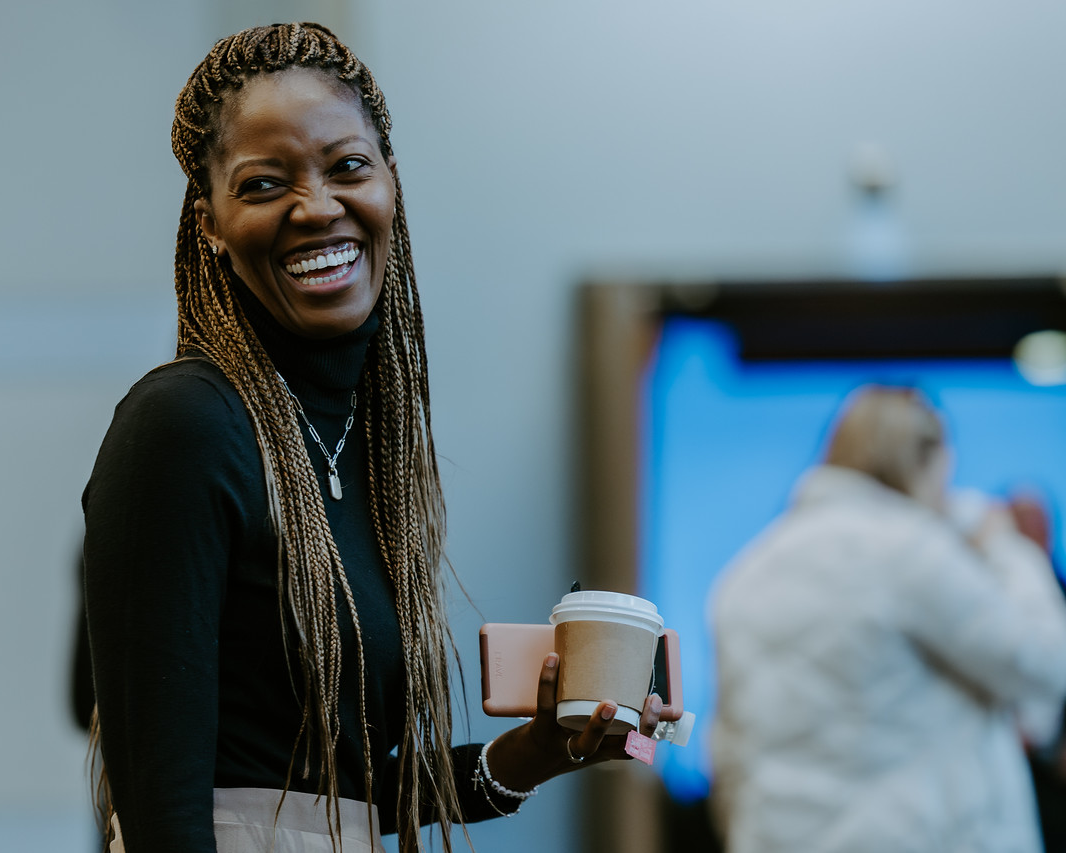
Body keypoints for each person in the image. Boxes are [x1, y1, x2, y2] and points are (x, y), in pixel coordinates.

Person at [81, 22, 664, 853]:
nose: (317, 206)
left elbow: (339, 792)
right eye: (263, 184)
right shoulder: (182, 426)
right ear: (209, 222)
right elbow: (163, 805)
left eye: (347, 166)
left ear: (390, 180)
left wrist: (538, 749)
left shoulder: (361, 443)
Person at [709, 385, 1066, 853]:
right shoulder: (911, 551)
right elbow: (1048, 662)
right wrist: (1002, 543)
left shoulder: (747, 572)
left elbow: (729, 755)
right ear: (929, 461)